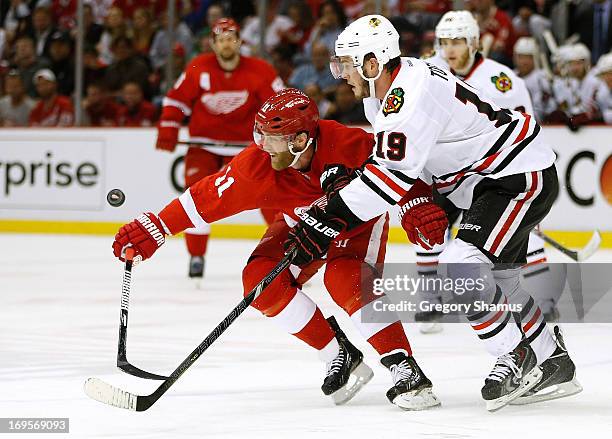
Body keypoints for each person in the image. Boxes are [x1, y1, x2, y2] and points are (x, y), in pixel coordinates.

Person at [289, 14, 582, 411]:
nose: (340, 74)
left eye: (346, 64)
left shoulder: (405, 97)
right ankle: (553, 360)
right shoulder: (386, 94)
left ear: (373, 63)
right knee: (503, 281)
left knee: (459, 266)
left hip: (514, 174)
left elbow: (389, 178)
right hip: (491, 179)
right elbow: (401, 166)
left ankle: (516, 355)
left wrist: (327, 216)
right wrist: (394, 192)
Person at [111, 89, 441, 410]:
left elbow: (400, 168)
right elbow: (206, 198)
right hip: (302, 222)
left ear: (300, 140)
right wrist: (155, 227)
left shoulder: (348, 143)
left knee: (344, 278)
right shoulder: (258, 166)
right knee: (261, 283)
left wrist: (416, 203)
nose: (261, 145)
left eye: (271, 137)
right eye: (260, 134)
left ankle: (406, 370)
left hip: (357, 224)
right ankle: (338, 353)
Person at [417, 12, 561, 332]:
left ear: (473, 43)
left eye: (456, 41)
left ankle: (544, 301)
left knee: (518, 238)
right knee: (428, 224)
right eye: (444, 42)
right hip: (450, 174)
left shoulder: (502, 80)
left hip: (492, 177)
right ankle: (430, 299)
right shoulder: (430, 73)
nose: (449, 49)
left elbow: (525, 129)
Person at [155, 18, 285, 281]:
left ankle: (287, 253)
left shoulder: (260, 70)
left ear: (238, 41)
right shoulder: (198, 68)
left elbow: (280, 103)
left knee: (271, 197)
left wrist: (279, 136)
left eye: (231, 38)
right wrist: (168, 128)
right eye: (220, 39)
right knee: (195, 194)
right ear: (213, 44)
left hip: (247, 149)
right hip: (204, 146)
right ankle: (196, 255)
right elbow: (177, 100)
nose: (226, 43)